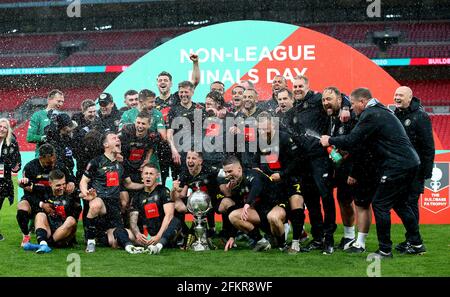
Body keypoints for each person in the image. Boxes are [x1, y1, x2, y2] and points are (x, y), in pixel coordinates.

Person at [320, 87, 425, 258]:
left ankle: (385, 250)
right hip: (410, 163)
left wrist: (329, 140)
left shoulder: (370, 114)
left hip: (397, 165)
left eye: (353, 104)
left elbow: (353, 139)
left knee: (380, 205)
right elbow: (364, 142)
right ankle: (417, 243)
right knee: (401, 204)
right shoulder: (380, 111)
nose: (352, 108)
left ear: (362, 102)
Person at [79, 132, 144, 253]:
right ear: (106, 144)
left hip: (114, 208)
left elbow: (128, 184)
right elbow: (83, 181)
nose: (118, 139)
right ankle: (90, 241)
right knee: (96, 204)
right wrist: (86, 192)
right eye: (114, 138)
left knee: (119, 240)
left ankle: (129, 247)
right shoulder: (96, 162)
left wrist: (146, 185)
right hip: (100, 202)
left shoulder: (121, 164)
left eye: (118, 138)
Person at [254, 112, 306, 254]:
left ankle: (296, 242)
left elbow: (297, 161)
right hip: (274, 183)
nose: (264, 132)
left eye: (266, 129)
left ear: (273, 124)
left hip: (291, 179)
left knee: (296, 203)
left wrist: (282, 174)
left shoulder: (284, 138)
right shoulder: (260, 141)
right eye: (261, 129)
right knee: (271, 214)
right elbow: (262, 162)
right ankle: (277, 238)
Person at [393, 86, 435, 253]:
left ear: (410, 98)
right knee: (404, 204)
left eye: (400, 95)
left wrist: (427, 170)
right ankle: (410, 239)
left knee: (410, 203)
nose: (397, 98)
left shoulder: (420, 116)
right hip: (399, 169)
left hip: (415, 169)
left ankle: (414, 242)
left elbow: (428, 146)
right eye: (396, 94)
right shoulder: (396, 114)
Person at [219, 156, 286, 252]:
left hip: (276, 208)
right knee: (233, 216)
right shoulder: (235, 185)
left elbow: (256, 186)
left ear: (239, 169)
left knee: (273, 217)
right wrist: (232, 236)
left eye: (230, 171)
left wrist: (247, 203)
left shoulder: (252, 174)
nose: (227, 175)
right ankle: (261, 241)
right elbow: (236, 207)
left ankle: (283, 245)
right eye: (225, 172)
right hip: (260, 213)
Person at [17, 143, 76, 247]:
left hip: (54, 199)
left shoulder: (60, 165)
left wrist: (71, 182)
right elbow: (28, 193)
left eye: (54, 160)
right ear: (41, 158)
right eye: (49, 162)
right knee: (22, 207)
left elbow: (70, 177)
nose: (52, 164)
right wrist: (41, 204)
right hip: (35, 199)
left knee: (75, 206)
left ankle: (68, 236)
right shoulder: (30, 167)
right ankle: (26, 235)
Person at [22, 170, 78, 253]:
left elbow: (83, 194)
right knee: (40, 214)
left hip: (64, 236)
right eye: (58, 185)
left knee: (71, 220)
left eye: (64, 184)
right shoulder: (44, 190)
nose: (62, 188)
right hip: (48, 231)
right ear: (50, 184)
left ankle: (45, 245)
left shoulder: (71, 193)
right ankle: (43, 243)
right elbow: (25, 188)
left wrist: (89, 196)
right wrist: (22, 181)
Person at [171, 150, 220, 246]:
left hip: (211, 202)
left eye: (193, 158)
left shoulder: (210, 172)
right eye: (188, 158)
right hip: (194, 202)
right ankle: (184, 232)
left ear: (200, 161)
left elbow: (217, 191)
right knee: (176, 205)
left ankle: (217, 232)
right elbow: (181, 195)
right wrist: (174, 189)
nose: (190, 160)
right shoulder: (184, 173)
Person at [130, 164, 181, 254]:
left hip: (163, 233)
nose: (148, 176)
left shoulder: (163, 191)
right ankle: (130, 247)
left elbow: (169, 215)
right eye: (146, 173)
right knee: (120, 231)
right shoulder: (137, 196)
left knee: (175, 221)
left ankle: (159, 246)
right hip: (147, 235)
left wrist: (159, 236)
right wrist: (137, 233)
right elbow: (133, 221)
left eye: (151, 174)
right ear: (142, 175)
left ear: (157, 176)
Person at [167, 80, 205, 179]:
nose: (183, 95)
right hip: (179, 154)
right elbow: (169, 132)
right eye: (181, 92)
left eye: (186, 92)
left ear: (192, 92)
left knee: (196, 179)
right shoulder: (173, 110)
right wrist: (173, 150)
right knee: (179, 182)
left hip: (196, 153)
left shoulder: (199, 109)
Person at [0, 118, 21, 241]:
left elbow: (17, 161)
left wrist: (14, 167)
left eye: (4, 127)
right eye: (0, 126)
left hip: (4, 181)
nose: (2, 129)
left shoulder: (12, 143)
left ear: (8, 130)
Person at [27, 89, 65, 157]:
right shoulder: (38, 115)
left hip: (59, 157)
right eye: (58, 101)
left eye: (62, 102)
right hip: (42, 156)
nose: (61, 104)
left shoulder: (63, 116)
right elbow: (30, 137)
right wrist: (44, 138)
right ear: (49, 100)